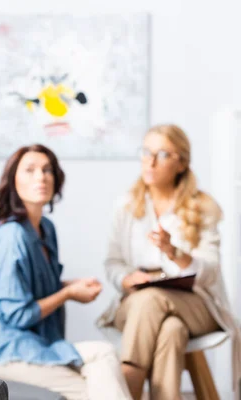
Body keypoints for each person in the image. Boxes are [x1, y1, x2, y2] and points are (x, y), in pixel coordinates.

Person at [0, 144, 132, 400]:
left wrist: (68, 286)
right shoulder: (10, 235)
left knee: (101, 362)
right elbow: (18, 314)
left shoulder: (45, 228)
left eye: (47, 170)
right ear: (13, 180)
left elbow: (28, 288)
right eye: (30, 170)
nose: (41, 177)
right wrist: (67, 293)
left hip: (21, 345)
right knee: (96, 372)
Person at [97, 124, 241, 399]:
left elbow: (209, 272)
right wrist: (126, 279)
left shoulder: (204, 207)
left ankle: (129, 387)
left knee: (151, 299)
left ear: (182, 163)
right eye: (146, 152)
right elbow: (113, 262)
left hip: (194, 303)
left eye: (162, 154)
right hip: (135, 302)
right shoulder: (125, 206)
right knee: (170, 330)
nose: (150, 161)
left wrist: (173, 251)